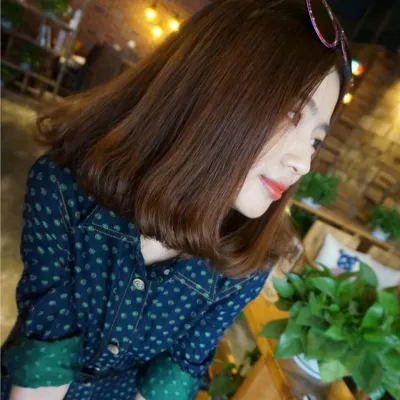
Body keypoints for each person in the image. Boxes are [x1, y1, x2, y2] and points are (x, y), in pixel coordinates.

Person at [1, 0, 352, 399]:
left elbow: (174, 375)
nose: (304, 163)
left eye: (316, 141)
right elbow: (45, 353)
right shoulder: (65, 189)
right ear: (211, 88)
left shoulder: (246, 262)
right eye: (292, 115)